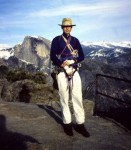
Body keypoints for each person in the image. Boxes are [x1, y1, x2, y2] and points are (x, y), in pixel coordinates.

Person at [50, 18, 90, 137]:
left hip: (74, 70)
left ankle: (80, 124)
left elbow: (82, 55)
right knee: (64, 97)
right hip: (62, 71)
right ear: (62, 27)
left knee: (77, 96)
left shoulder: (75, 40)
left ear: (71, 27)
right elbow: (52, 55)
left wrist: (74, 60)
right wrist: (60, 63)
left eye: (69, 26)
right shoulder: (56, 40)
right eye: (65, 26)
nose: (67, 28)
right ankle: (67, 124)